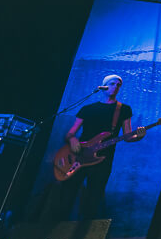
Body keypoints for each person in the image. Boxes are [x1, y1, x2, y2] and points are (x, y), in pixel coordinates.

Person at [57, 74, 145, 219]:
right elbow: (69, 134)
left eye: (118, 85)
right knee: (67, 195)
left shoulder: (123, 109)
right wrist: (73, 140)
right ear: (104, 86)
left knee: (93, 199)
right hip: (78, 157)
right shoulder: (87, 109)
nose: (115, 87)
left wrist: (138, 136)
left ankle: (84, 236)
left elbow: (128, 136)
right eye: (112, 84)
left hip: (103, 160)